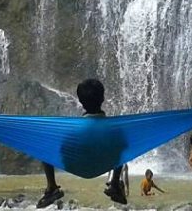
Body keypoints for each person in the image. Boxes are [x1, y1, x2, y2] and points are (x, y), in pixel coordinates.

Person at [38, 78, 127, 208]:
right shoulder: (116, 129)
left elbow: (62, 149)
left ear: (80, 101)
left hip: (73, 166)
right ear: (102, 98)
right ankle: (114, 183)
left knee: (43, 143)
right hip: (104, 166)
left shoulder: (71, 130)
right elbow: (124, 148)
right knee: (123, 145)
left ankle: (51, 187)